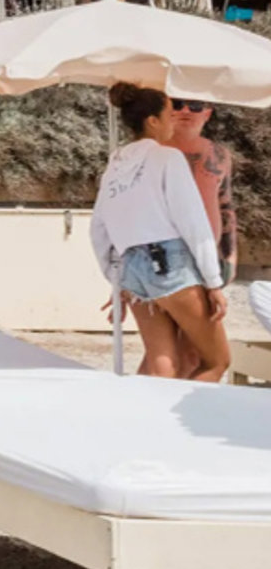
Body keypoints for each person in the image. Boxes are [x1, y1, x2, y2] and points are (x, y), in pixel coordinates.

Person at [92, 83, 229, 381]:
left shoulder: (115, 163)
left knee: (161, 366)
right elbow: (192, 223)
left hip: (132, 269)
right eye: (169, 114)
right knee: (216, 361)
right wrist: (213, 282)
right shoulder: (167, 158)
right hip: (170, 264)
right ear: (152, 121)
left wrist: (115, 281)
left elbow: (99, 228)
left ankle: (146, 426)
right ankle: (176, 428)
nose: (174, 120)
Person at [166, 95, 238, 377]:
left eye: (195, 105)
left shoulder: (220, 155)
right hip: (169, 258)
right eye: (178, 103)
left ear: (207, 113)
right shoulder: (154, 152)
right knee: (168, 352)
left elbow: (226, 206)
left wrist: (229, 258)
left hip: (207, 259)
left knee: (192, 350)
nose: (186, 111)